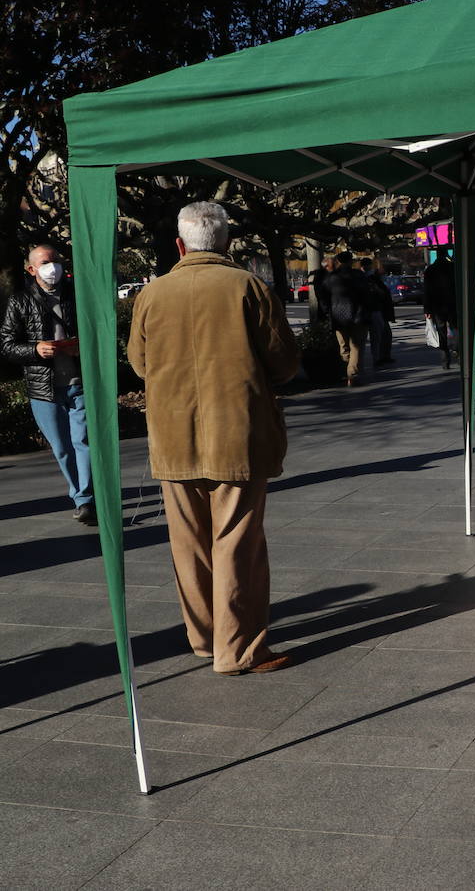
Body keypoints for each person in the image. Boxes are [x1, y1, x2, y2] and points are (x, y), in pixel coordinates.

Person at [128, 201, 299, 675]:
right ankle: (239, 649)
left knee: (189, 545)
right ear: (227, 242)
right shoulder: (248, 286)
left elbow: (140, 365)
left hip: (172, 436)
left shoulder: (153, 293)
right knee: (237, 543)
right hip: (238, 435)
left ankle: (204, 637)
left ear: (180, 245)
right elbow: (285, 364)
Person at [0, 245, 96, 525]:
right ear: (31, 270)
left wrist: (83, 346)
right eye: (44, 263)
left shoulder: (77, 294)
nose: (52, 267)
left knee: (84, 441)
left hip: (80, 383)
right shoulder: (19, 301)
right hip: (44, 389)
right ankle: (80, 494)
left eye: (55, 261)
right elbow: (6, 344)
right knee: (63, 447)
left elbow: (96, 328)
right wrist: (34, 350)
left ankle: (85, 499)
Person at [324, 251, 370, 385]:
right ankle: (352, 374)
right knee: (356, 346)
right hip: (357, 315)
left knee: (343, 347)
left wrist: (328, 310)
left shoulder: (331, 277)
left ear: (338, 261)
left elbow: (324, 296)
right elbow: (366, 295)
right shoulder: (358, 275)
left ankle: (346, 371)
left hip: (338, 317)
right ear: (351, 261)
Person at [422, 249, 456, 369]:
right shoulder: (452, 268)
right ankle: (458, 351)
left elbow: (426, 291)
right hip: (452, 304)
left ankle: (445, 360)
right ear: (446, 255)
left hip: (437, 306)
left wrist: (427, 310)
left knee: (441, 333)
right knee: (455, 329)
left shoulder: (430, 270)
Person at [359, 257, 395, 367]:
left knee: (376, 336)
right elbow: (383, 294)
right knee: (377, 336)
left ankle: (378, 357)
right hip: (374, 310)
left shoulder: (365, 278)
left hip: (372, 310)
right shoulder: (370, 278)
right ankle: (377, 358)